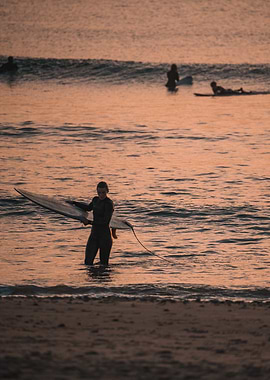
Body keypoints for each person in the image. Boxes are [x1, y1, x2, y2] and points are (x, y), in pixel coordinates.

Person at [71, 182, 116, 266]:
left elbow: (105, 222)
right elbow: (88, 208)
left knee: (104, 265)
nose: (101, 195)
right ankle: (92, 279)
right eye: (99, 193)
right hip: (94, 235)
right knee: (87, 263)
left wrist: (89, 222)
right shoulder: (95, 200)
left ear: (107, 191)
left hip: (105, 237)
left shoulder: (109, 204)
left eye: (103, 192)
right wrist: (74, 203)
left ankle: (103, 278)